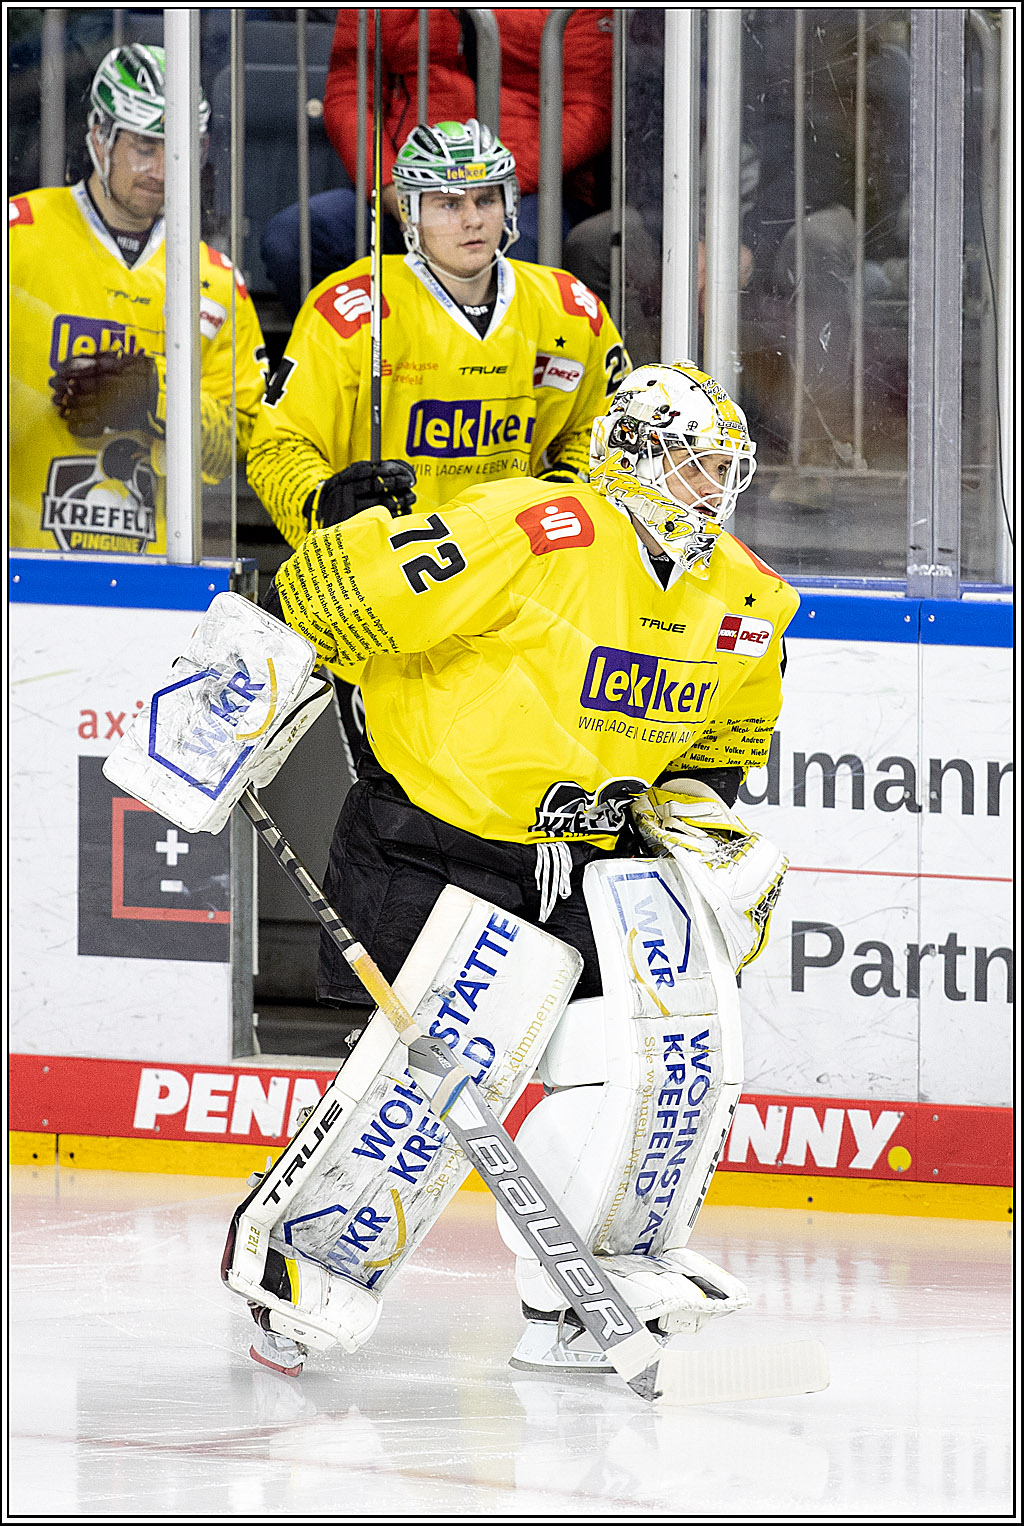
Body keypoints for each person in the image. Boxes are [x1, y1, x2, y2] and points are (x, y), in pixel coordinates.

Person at [238, 359, 799, 1377]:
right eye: (694, 464)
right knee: (437, 1081)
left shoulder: (746, 594)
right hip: (438, 841)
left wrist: (705, 830)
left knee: (638, 1065)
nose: (714, 488)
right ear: (632, 454)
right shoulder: (537, 526)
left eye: (726, 469)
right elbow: (333, 591)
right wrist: (237, 688)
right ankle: (302, 1276)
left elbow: (715, 746)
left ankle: (573, 1288)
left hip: (591, 862)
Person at [247, 116, 629, 767]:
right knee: (399, 798)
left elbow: (605, 434)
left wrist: (569, 495)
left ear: (509, 205)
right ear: (408, 212)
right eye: (447, 203)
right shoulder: (350, 310)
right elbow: (277, 446)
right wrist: (320, 505)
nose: (471, 219)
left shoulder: (569, 309)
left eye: (486, 198)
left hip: (515, 599)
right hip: (387, 598)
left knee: (505, 794)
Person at [9, 43, 267, 558]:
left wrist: (156, 402)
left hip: (154, 571)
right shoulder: (15, 237)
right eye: (146, 147)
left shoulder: (215, 282)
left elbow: (239, 441)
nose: (162, 169)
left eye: (179, 150)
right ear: (99, 136)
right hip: (15, 562)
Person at [260, 8, 614, 317]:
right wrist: (389, 185)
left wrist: (491, 187)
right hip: (404, 186)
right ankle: (365, 376)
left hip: (525, 190)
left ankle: (494, 385)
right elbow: (350, 92)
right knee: (294, 240)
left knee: (517, 254)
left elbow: (590, 109)